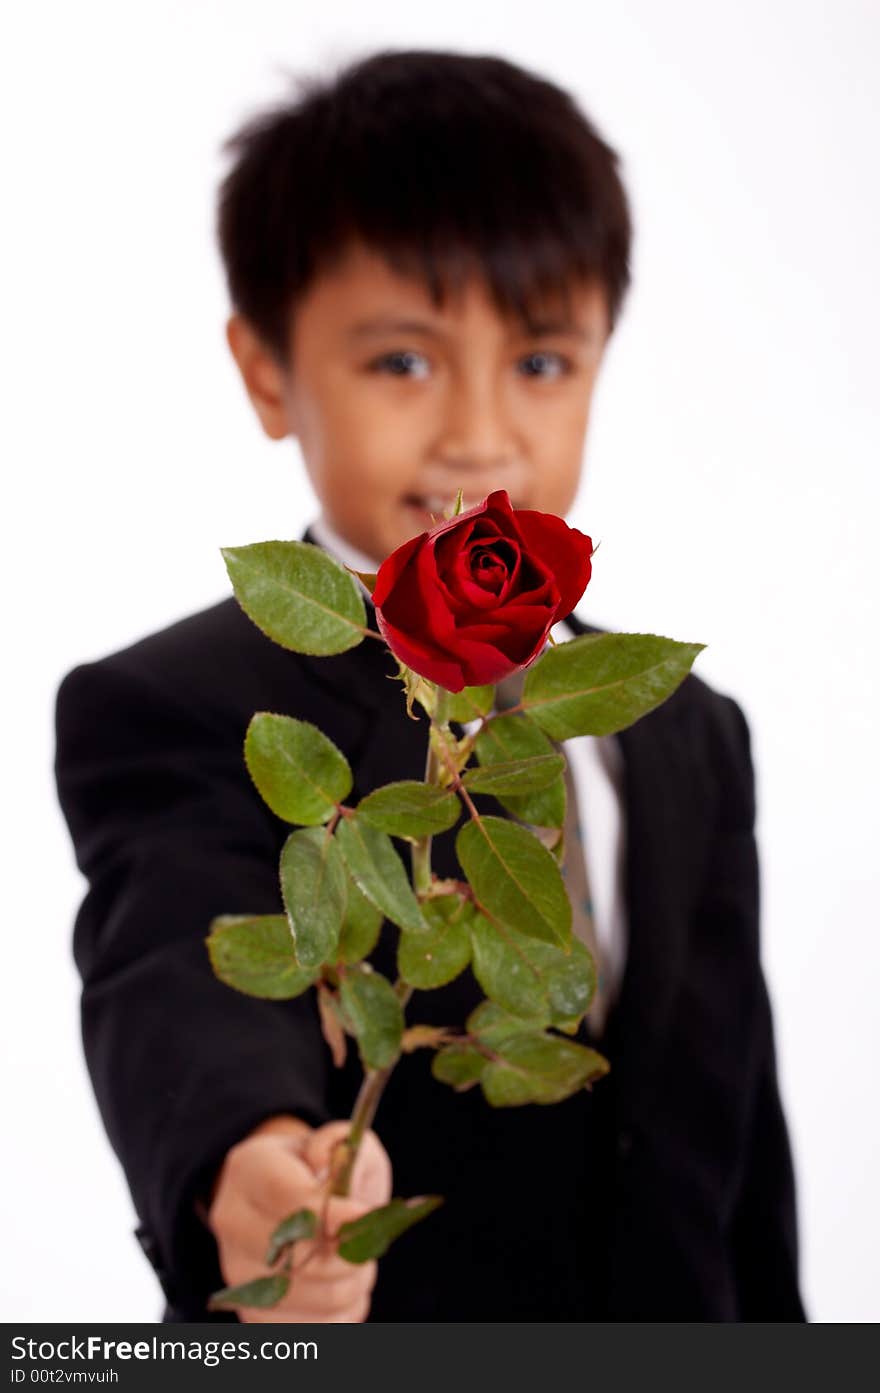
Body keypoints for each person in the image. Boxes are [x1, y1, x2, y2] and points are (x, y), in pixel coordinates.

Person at [54, 48, 805, 1322]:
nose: (476, 431)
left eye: (541, 362)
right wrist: (253, 1162)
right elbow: (176, 968)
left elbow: (735, 1141)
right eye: (402, 362)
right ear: (266, 372)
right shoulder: (186, 702)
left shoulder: (682, 731)